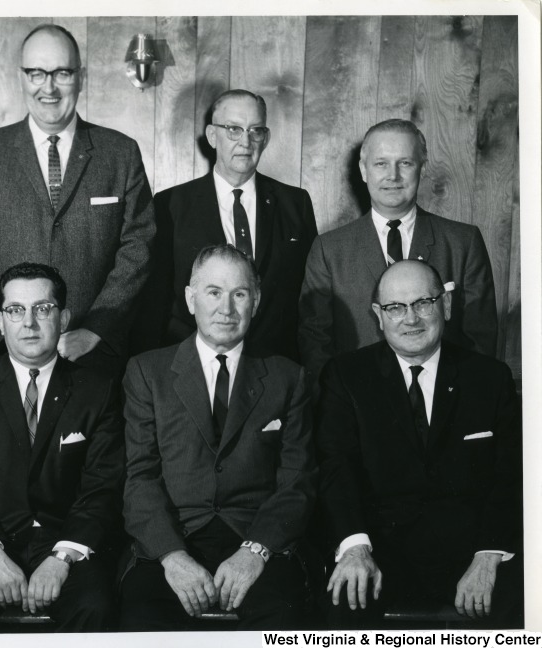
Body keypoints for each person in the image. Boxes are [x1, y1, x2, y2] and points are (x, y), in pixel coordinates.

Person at [316, 260, 522, 628]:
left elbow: (512, 475)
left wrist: (489, 554)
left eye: (423, 303)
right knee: (343, 601)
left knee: (518, 604)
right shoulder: (346, 376)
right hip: (380, 549)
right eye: (396, 307)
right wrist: (356, 547)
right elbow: (336, 468)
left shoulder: (490, 378)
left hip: (470, 550)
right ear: (378, 315)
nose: (411, 318)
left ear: (444, 305)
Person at [121, 244, 316, 631]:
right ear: (191, 299)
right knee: (142, 620)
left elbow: (297, 482)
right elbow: (139, 478)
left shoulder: (287, 377)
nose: (226, 308)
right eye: (213, 292)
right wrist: (172, 557)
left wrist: (256, 550)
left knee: (285, 615)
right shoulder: (148, 372)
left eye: (239, 294)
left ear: (255, 301)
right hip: (174, 539)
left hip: (255, 541)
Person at [0, 24, 154, 376]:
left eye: (61, 72)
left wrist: (95, 330)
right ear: (21, 77)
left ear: (81, 77)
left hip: (91, 361)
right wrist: (9, 336)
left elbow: (138, 248)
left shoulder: (120, 154)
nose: (48, 86)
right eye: (37, 73)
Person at [0, 262, 124, 632]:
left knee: (95, 607)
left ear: (64, 317)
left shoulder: (97, 390)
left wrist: (62, 557)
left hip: (65, 541)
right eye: (15, 311)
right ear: (1, 321)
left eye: (43, 309)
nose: (29, 323)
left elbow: (103, 487)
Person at [298, 119, 497, 386]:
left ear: (422, 169)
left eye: (405, 163)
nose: (393, 175)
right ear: (363, 170)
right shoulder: (329, 249)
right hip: (357, 405)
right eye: (381, 163)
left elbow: (480, 338)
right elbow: (315, 342)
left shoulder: (463, 242)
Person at [138, 89, 317, 360]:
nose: (246, 141)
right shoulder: (171, 205)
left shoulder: (295, 203)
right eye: (233, 129)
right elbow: (155, 300)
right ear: (212, 136)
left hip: (275, 365)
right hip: (193, 364)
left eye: (255, 130)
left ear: (265, 138)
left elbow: (309, 298)